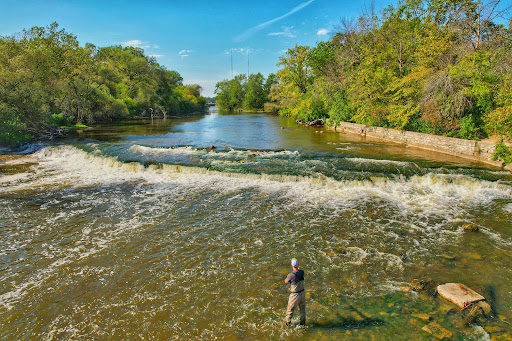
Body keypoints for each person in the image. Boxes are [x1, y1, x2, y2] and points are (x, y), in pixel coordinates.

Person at [284, 258, 306, 326]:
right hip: (302, 293)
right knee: (302, 311)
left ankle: (288, 325)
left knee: (290, 311)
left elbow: (286, 281)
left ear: (291, 265)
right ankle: (302, 324)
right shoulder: (302, 272)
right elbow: (299, 271)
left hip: (295, 295)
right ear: (298, 264)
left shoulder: (290, 275)